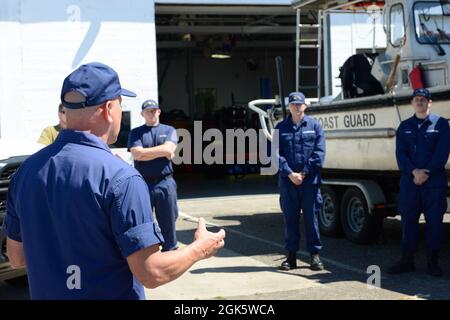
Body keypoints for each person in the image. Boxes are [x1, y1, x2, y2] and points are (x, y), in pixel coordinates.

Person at [2, 62, 225, 300]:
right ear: (109, 108)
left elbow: (17, 258)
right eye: (120, 103)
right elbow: (151, 272)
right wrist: (200, 248)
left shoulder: (25, 173)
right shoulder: (121, 178)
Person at [388, 88, 449, 277]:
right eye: (416, 99)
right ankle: (407, 261)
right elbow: (401, 154)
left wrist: (427, 172)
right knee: (408, 222)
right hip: (410, 182)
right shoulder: (404, 126)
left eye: (423, 99)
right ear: (412, 103)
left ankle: (433, 262)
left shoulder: (441, 124)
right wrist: (414, 171)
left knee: (434, 224)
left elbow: (442, 153)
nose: (420, 102)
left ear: (430, 103)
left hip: (434, 183)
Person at [276, 92, 326, 271]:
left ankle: (315, 256)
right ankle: (291, 258)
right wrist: (290, 173)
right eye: (293, 104)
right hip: (288, 183)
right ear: (289, 107)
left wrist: (303, 174)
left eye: (300, 104)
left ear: (305, 106)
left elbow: (319, 154)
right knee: (290, 220)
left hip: (309, 182)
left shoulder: (315, 126)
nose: (297, 107)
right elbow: (275, 155)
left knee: (311, 220)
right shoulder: (280, 128)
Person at [128, 99, 179, 252]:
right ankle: (147, 251)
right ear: (142, 114)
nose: (151, 113)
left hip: (165, 182)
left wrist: (146, 153)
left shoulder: (169, 130)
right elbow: (136, 154)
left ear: (159, 112)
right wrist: (160, 151)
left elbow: (169, 151)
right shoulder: (136, 132)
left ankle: (170, 249)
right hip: (143, 183)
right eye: (148, 111)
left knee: (169, 219)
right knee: (143, 220)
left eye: (154, 110)